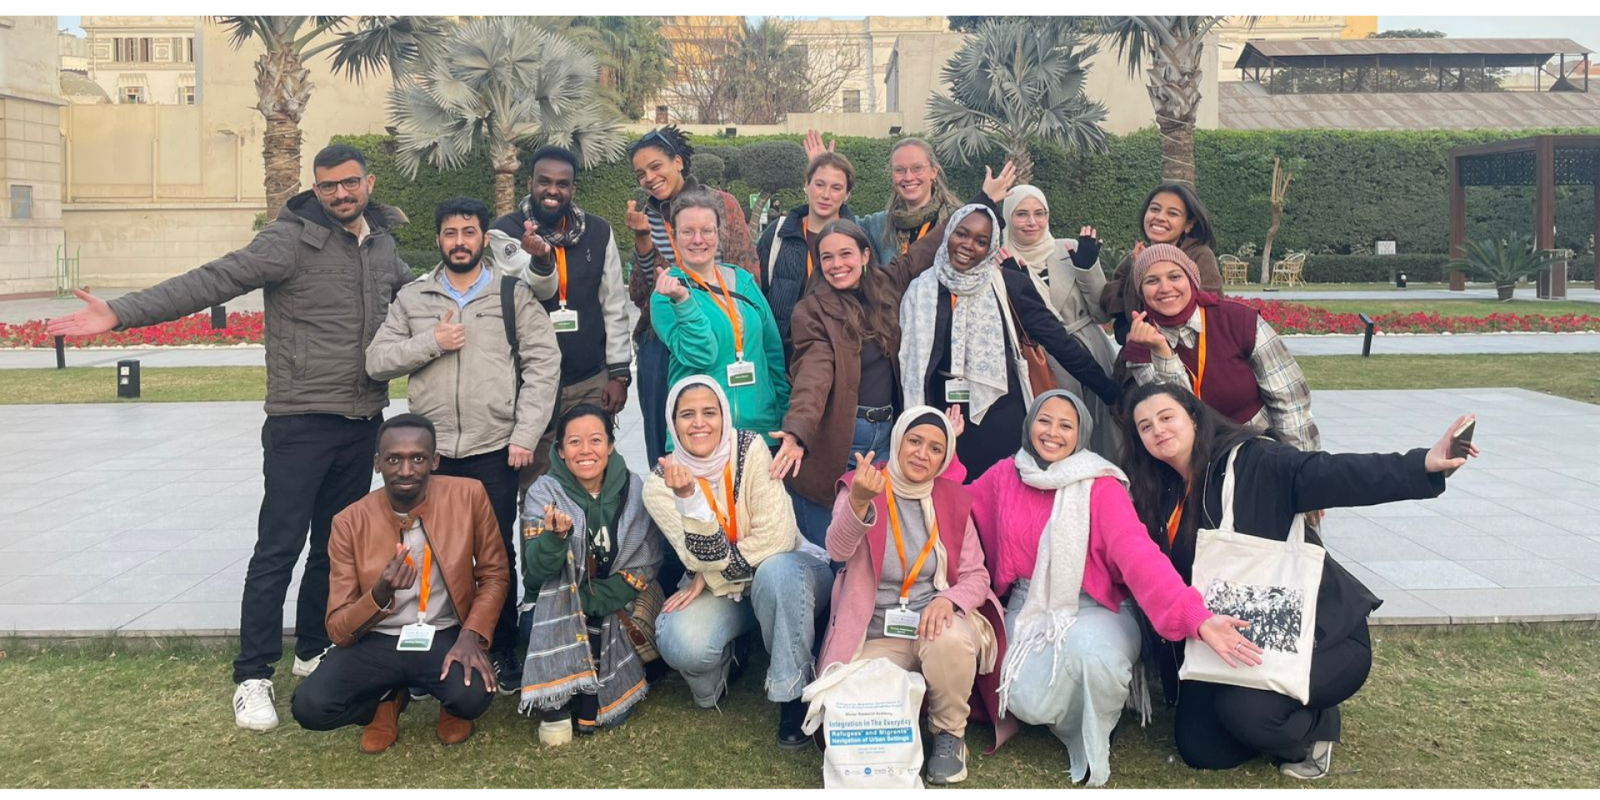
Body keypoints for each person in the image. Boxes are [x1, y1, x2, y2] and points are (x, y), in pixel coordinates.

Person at [46, 143, 415, 731]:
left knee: (334, 548)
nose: (340, 194)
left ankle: (313, 648)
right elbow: (211, 281)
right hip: (299, 422)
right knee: (278, 550)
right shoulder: (288, 240)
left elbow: (416, 297)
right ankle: (253, 675)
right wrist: (120, 312)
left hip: (361, 419)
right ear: (314, 190)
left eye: (349, 183)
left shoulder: (382, 243)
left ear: (369, 182)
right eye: (328, 187)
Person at [1120, 382, 1478, 779]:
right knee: (1201, 748)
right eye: (1145, 426)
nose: (1158, 430)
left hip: (1320, 639)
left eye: (1166, 417)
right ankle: (1256, 707)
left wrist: (1423, 462)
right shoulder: (1158, 492)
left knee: (1245, 712)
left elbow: (1331, 473)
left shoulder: (1254, 461)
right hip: (1236, 641)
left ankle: (1315, 725)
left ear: (1193, 416)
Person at [967, 389, 1259, 786]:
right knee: (1022, 694)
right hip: (1029, 603)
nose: (1053, 433)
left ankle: (1097, 723)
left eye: (1066, 425)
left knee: (1091, 654)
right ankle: (1069, 713)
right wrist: (944, 458)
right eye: (1044, 420)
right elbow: (955, 507)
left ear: (1082, 433)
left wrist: (1197, 618)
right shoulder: (1006, 475)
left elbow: (1140, 557)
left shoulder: (1100, 486)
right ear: (1029, 424)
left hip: (1099, 606)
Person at [365, 196, 562, 691]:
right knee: (429, 549)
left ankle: (500, 649)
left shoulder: (511, 294)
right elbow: (377, 361)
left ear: (483, 238)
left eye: (468, 232)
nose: (460, 242)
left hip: (494, 447)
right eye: (450, 233)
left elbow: (544, 365)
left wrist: (525, 435)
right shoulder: (413, 298)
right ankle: (431, 645)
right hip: (430, 458)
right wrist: (431, 341)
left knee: (495, 554)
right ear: (439, 239)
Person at [773, 163, 1017, 547]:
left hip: (890, 433)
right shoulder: (814, 310)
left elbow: (931, 246)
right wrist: (797, 432)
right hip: (844, 432)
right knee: (835, 540)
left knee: (880, 535)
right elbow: (813, 375)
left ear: (866, 254)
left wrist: (983, 201)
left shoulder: (884, 286)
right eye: (827, 258)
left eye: (845, 255)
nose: (837, 265)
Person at [290, 414, 511, 753]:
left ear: (434, 461)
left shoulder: (468, 496)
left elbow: (494, 573)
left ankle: (451, 708)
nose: (406, 470)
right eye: (394, 459)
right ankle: (385, 699)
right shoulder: (349, 521)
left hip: (444, 632)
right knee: (311, 707)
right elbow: (337, 628)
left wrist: (471, 635)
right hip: (377, 639)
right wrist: (379, 593)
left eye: (418, 458)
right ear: (377, 463)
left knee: (472, 696)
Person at [818, 405, 1009, 785]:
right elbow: (836, 551)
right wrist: (858, 502)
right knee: (839, 706)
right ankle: (903, 723)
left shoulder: (952, 498)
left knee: (950, 638)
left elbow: (976, 575)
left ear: (945, 456)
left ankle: (948, 734)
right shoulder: (863, 485)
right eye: (915, 441)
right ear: (898, 440)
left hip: (932, 625)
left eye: (936, 448)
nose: (923, 454)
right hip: (874, 631)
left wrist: (948, 600)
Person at [642, 377, 831, 752]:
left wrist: (708, 574)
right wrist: (689, 500)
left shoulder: (751, 447)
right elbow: (698, 555)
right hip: (726, 592)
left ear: (724, 415)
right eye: (687, 414)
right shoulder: (661, 484)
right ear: (672, 423)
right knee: (681, 643)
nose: (699, 423)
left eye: (709, 412)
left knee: (776, 571)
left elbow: (777, 538)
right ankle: (731, 658)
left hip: (788, 575)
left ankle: (791, 698)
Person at [898, 204, 1121, 479]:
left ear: (991, 247)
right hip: (941, 414)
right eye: (962, 234)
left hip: (1000, 415)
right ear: (948, 235)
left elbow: (1059, 342)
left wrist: (1114, 394)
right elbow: (907, 362)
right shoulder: (921, 290)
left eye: (981, 241)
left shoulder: (1008, 284)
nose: (968, 245)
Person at [483, 145, 635, 482]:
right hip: (531, 384)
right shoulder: (505, 231)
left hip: (589, 379)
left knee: (592, 475)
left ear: (573, 189)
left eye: (562, 184)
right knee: (537, 480)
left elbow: (613, 305)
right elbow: (541, 289)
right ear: (529, 183)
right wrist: (540, 259)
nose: (553, 191)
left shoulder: (599, 232)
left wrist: (619, 374)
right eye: (544, 181)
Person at [519, 404, 664, 745]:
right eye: (574, 442)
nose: (586, 451)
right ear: (560, 451)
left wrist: (587, 601)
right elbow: (536, 577)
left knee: (627, 623)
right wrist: (555, 541)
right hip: (555, 603)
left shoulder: (633, 489)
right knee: (551, 625)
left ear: (611, 445)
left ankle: (585, 685)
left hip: (614, 602)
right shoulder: (543, 493)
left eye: (596, 440)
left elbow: (647, 561)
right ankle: (564, 699)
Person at [625, 126, 758, 464]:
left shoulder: (721, 204)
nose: (649, 178)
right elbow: (641, 296)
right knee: (664, 444)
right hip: (664, 340)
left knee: (722, 435)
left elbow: (747, 271)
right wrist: (642, 242)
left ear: (678, 162)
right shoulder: (648, 216)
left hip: (721, 336)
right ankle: (668, 508)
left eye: (656, 167)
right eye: (641, 173)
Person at [1122, 244, 1320, 453]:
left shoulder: (1238, 320)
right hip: (1196, 459)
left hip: (1260, 448)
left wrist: (1298, 464)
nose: (1165, 288)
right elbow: (1181, 415)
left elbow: (1291, 402)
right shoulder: (1141, 345)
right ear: (1141, 291)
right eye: (1152, 281)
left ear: (1191, 279)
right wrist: (1162, 351)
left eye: (1174, 276)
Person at [649, 188, 789, 448]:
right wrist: (684, 301)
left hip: (761, 432)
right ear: (674, 236)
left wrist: (784, 419)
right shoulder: (666, 293)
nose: (698, 239)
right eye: (688, 231)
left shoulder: (743, 282)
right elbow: (701, 354)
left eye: (707, 230)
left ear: (718, 233)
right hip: (702, 437)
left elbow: (773, 355)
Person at [1000, 186, 1121, 458]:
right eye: (1022, 214)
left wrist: (1087, 267)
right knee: (1060, 433)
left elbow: (1101, 315)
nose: (1032, 222)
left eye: (1039, 213)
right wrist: (1017, 282)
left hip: (1091, 352)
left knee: (1108, 433)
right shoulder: (1000, 259)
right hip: (1043, 360)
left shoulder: (1069, 249)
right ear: (1008, 217)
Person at [755, 151, 857, 354]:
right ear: (806, 186)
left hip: (840, 352)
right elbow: (759, 295)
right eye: (819, 184)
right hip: (784, 357)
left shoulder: (858, 239)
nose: (826, 195)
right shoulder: (777, 234)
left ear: (847, 195)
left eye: (836, 188)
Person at [807, 132, 965, 261]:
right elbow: (839, 222)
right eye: (900, 170)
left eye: (917, 168)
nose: (908, 177)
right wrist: (823, 168)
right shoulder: (880, 225)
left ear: (933, 172)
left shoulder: (957, 221)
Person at [1101, 182, 1224, 346]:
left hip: (1187, 354)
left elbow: (1211, 309)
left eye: (1172, 213)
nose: (1159, 217)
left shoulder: (1199, 255)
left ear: (1189, 224)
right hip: (1139, 359)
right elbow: (1119, 316)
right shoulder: (1134, 258)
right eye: (1154, 209)